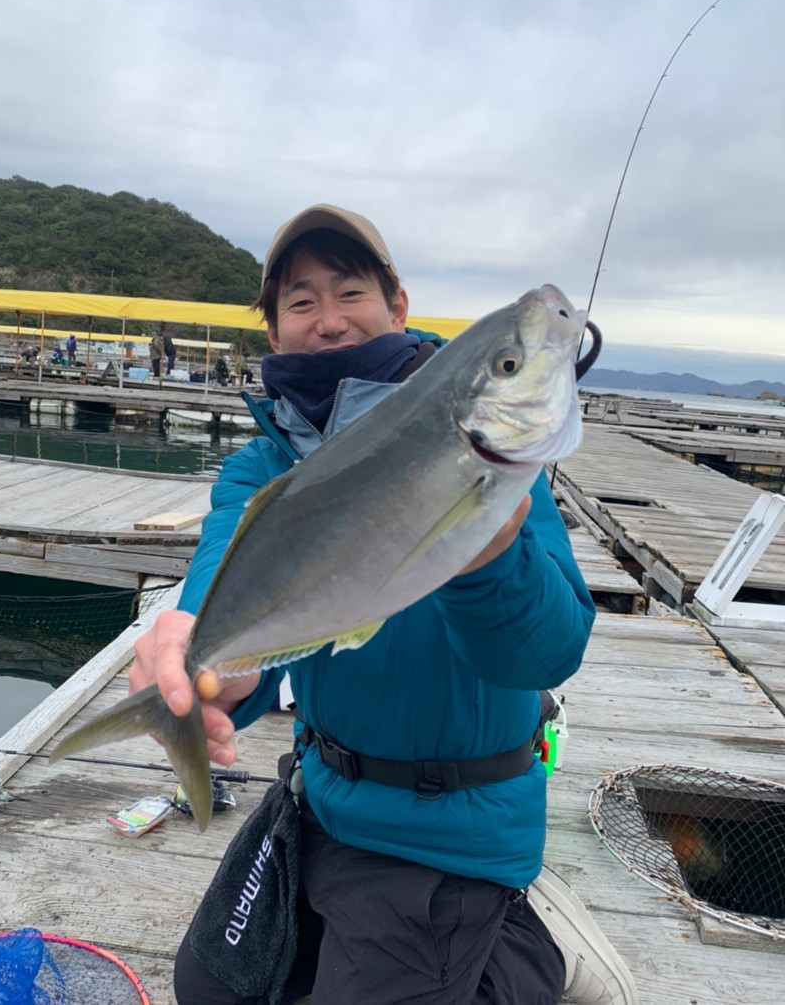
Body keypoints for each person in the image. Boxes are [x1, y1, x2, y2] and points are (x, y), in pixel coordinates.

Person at [129, 204, 638, 1005]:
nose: (328, 320)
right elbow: (222, 577)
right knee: (209, 990)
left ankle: (521, 942)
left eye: (350, 291)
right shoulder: (261, 465)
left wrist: (493, 551)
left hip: (447, 834)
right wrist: (207, 663)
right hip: (322, 800)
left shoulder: (495, 460)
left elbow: (547, 652)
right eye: (301, 301)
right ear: (275, 331)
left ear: (397, 305)